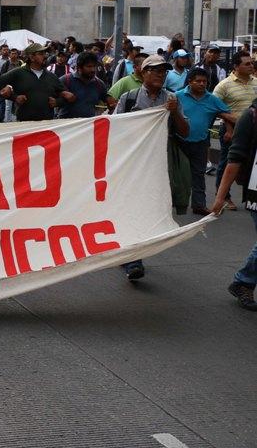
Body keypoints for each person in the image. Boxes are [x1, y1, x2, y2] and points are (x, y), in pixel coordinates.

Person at [112, 54, 190, 281]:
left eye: (163, 71)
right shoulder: (129, 98)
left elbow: (185, 131)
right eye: (155, 70)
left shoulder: (172, 98)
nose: (160, 75)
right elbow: (114, 129)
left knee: (150, 209)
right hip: (133, 164)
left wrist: (174, 112)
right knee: (133, 208)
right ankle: (133, 258)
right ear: (143, 73)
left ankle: (132, 252)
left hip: (159, 165)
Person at [212, 99, 257, 311]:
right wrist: (220, 197)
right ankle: (244, 282)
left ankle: (244, 281)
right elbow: (235, 158)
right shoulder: (250, 117)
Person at [177, 67, 235, 215]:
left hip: (200, 142)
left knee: (199, 174)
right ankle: (172, 202)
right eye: (198, 81)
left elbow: (227, 114)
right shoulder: (177, 96)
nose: (202, 84)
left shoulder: (212, 99)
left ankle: (199, 205)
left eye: (205, 81)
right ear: (190, 81)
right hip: (178, 142)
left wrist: (229, 130)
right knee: (177, 175)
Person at [213, 52, 257, 211]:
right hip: (231, 130)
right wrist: (229, 127)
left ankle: (251, 196)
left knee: (252, 164)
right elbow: (215, 107)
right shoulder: (224, 85)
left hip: (253, 132)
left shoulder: (256, 82)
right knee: (228, 162)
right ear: (236, 66)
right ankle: (223, 196)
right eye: (247, 64)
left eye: (252, 63)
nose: (251, 66)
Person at [0, 44, 71, 122]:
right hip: (24, 123)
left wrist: (57, 102)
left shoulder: (51, 76)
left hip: (47, 124)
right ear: (31, 57)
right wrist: (13, 97)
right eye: (41, 54)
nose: (45, 56)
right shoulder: (18, 73)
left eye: (45, 53)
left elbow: (68, 96)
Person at [58, 52, 109, 118]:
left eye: (94, 66)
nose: (93, 70)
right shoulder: (65, 80)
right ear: (79, 67)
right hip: (66, 123)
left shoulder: (99, 84)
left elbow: (108, 102)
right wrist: (62, 94)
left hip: (88, 123)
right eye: (89, 66)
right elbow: (51, 97)